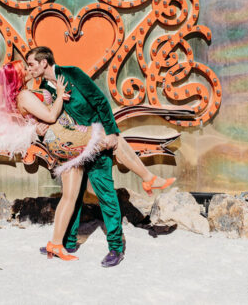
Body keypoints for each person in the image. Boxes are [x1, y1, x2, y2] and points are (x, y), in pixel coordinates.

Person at [25, 46, 175, 268]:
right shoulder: (45, 87)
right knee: (73, 197)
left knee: (106, 195)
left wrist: (112, 131)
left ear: (44, 62)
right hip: (72, 149)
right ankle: (69, 241)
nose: (29, 69)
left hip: (97, 142)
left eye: (31, 64)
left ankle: (116, 247)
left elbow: (100, 101)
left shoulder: (72, 73)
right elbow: (50, 116)